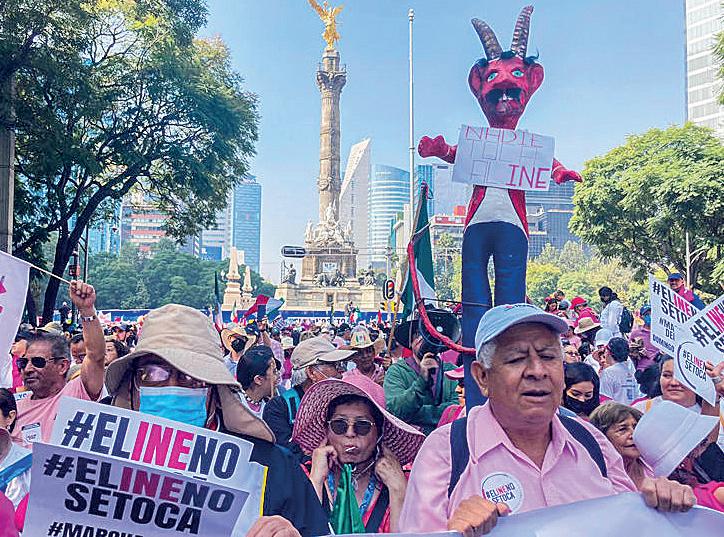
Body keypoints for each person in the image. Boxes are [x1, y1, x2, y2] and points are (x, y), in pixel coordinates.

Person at [398, 303, 695, 534]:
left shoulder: (591, 442)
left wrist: (664, 507)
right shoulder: (446, 453)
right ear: (482, 377)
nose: (537, 371)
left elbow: (630, 525)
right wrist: (453, 534)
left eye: (549, 356)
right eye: (517, 358)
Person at [104, 303, 329, 537]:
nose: (172, 387)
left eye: (191, 377)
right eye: (153, 373)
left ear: (216, 392)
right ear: (133, 386)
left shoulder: (271, 467)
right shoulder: (100, 458)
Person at [292, 375, 425, 533]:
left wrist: (398, 490)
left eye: (362, 426)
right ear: (326, 431)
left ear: (379, 433)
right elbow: (299, 531)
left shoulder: (403, 480)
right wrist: (315, 481)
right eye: (339, 425)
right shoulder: (303, 475)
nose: (350, 433)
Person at [11, 281, 104, 449]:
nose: (28, 369)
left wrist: (87, 310)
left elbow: (96, 356)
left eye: (38, 362)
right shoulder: (13, 409)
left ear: (62, 366)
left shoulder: (77, 392)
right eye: (23, 363)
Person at [263, 336, 354, 457]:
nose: (341, 372)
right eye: (334, 365)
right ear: (311, 372)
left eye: (341, 365)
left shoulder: (341, 402)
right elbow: (286, 455)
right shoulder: (279, 407)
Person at [634, 401, 722, 512]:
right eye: (703, 442)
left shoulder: (652, 505)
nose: (708, 446)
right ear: (683, 460)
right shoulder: (711, 495)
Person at [384, 316, 458, 435]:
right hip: (410, 441)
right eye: (419, 334)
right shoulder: (397, 371)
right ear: (411, 341)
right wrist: (422, 381)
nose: (425, 339)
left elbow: (458, 408)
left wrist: (416, 414)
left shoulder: (452, 371)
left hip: (448, 438)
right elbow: (396, 411)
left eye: (431, 334)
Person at [589, 403, 651, 489]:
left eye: (636, 427)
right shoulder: (598, 476)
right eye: (622, 429)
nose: (634, 435)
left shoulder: (652, 463)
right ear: (602, 436)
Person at [237, 345, 280, 419]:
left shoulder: (270, 406)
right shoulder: (235, 404)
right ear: (258, 380)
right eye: (274, 372)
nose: (278, 377)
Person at [599, 338, 639, 405]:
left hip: (616, 411)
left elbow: (605, 401)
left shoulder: (608, 373)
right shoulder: (631, 371)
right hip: (632, 410)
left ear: (608, 352)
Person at [628, 305, 657, 371]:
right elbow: (629, 351)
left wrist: (650, 355)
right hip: (641, 369)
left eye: (651, 313)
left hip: (658, 369)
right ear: (641, 317)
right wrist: (635, 352)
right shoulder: (636, 333)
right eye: (646, 314)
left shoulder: (661, 333)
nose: (650, 316)